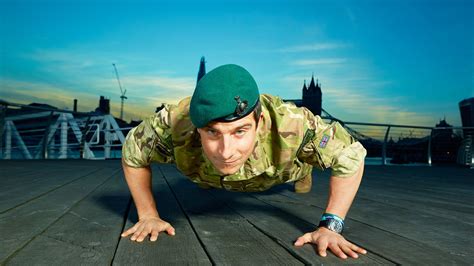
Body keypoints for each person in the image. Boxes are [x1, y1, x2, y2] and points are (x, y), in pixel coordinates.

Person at [120, 64, 367, 259]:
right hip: (207, 175)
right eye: (212, 132)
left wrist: (330, 227)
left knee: (299, 168)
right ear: (196, 128)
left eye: (240, 131)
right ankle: (212, 177)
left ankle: (303, 172)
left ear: (259, 122)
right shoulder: (172, 123)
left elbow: (351, 153)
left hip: (283, 169)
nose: (227, 151)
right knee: (207, 174)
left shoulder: (294, 123)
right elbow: (132, 151)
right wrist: (147, 214)